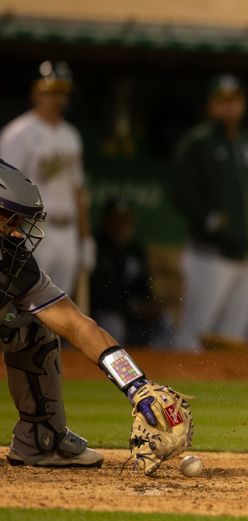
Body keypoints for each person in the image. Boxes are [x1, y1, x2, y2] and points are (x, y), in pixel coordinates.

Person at [0, 159, 191, 472]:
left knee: (33, 327)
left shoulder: (14, 264)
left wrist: (137, 386)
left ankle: (40, 438)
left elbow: (76, 325)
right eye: (9, 219)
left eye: (20, 222)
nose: (18, 233)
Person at [171, 74, 248, 350]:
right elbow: (182, 193)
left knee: (234, 338)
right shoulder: (198, 143)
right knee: (195, 335)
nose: (230, 107)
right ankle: (179, 392)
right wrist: (212, 222)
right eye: (223, 101)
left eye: (235, 100)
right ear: (211, 105)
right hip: (210, 256)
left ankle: (226, 394)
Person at [0, 61, 94, 298]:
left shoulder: (71, 136)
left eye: (62, 92)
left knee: (62, 309)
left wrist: (86, 239)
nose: (57, 98)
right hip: (34, 230)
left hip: (68, 231)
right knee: (28, 306)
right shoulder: (17, 133)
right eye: (51, 91)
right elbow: (4, 190)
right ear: (36, 93)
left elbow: (78, 191)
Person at [90, 198, 161, 346]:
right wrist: (130, 306)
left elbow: (144, 286)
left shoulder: (135, 250)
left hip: (132, 312)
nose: (121, 226)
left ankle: (157, 366)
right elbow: (97, 294)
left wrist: (149, 303)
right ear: (106, 222)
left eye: (125, 220)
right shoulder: (96, 247)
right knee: (114, 325)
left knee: (164, 322)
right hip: (103, 313)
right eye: (116, 220)